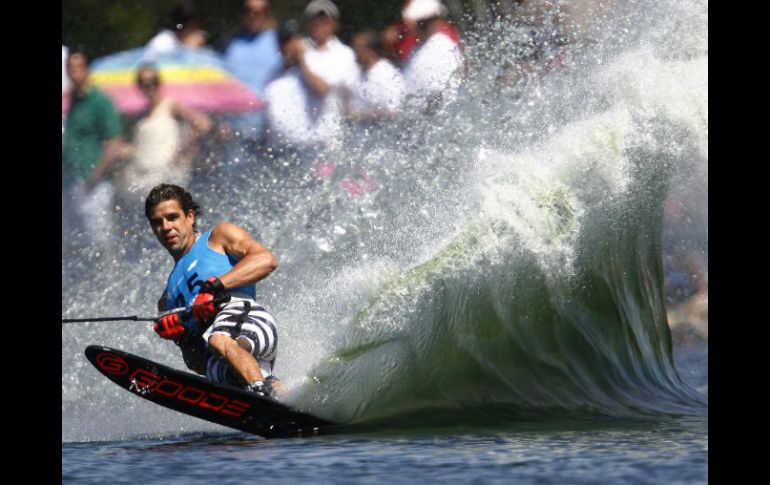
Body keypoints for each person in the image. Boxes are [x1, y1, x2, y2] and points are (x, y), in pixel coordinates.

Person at [145, 183, 281, 398]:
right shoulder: (166, 301)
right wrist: (183, 338)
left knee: (218, 338)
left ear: (190, 217)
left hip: (251, 321)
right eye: (157, 222)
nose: (166, 227)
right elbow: (196, 364)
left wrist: (214, 287)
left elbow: (266, 260)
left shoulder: (217, 237)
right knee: (214, 372)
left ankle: (260, 391)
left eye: (172, 217)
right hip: (230, 353)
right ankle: (291, 398)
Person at [62, 49, 130, 255]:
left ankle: (113, 280)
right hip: (71, 181)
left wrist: (95, 176)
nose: (74, 73)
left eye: (78, 67)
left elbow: (115, 141)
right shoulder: (72, 102)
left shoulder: (100, 101)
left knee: (101, 238)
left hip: (94, 183)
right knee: (73, 239)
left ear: (87, 70)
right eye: (70, 68)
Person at [115, 64, 213, 201]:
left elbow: (203, 124)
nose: (149, 86)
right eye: (144, 83)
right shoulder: (141, 115)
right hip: (141, 175)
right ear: (139, 86)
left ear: (159, 83)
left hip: (166, 173)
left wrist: (182, 148)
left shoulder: (171, 105)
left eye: (152, 81)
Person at [220, 0, 283, 146]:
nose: (253, 16)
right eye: (248, 11)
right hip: (236, 130)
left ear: (267, 13)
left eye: (258, 12)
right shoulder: (229, 43)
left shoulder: (280, 40)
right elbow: (221, 82)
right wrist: (221, 120)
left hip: (271, 130)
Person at [400, 0, 465, 110]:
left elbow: (440, 97)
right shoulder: (421, 47)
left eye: (419, 23)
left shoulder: (441, 47)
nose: (409, 28)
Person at [347, 30, 405, 124]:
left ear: (371, 50)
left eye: (358, 49)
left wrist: (360, 116)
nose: (355, 53)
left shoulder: (386, 74)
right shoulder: (360, 73)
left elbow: (394, 112)